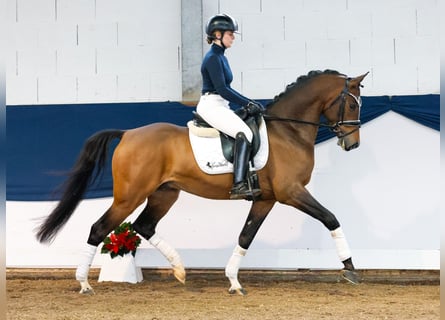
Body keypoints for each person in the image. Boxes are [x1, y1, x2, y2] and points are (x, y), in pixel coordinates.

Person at [196, 13, 264, 200]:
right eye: (230, 34)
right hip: (211, 105)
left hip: (220, 104)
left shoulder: (221, 57)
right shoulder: (212, 58)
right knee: (245, 134)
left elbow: (227, 90)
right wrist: (247, 103)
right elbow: (223, 89)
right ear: (217, 35)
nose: (233, 37)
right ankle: (239, 184)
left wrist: (250, 103)